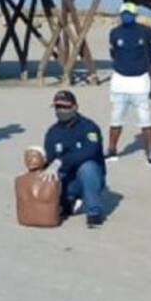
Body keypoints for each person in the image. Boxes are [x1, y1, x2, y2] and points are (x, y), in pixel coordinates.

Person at [41, 90, 108, 228]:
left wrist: (61, 161)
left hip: (88, 178)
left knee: (88, 167)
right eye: (58, 107)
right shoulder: (52, 132)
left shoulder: (89, 127)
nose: (61, 110)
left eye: (65, 107)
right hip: (65, 178)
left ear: (75, 107)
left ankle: (93, 212)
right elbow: (50, 158)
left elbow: (89, 152)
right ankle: (68, 202)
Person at [106, 1, 151, 165]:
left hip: (140, 80)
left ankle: (150, 152)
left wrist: (141, 66)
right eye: (124, 14)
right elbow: (113, 52)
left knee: (145, 118)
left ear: (135, 15)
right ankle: (112, 150)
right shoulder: (114, 33)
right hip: (119, 80)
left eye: (129, 13)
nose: (126, 16)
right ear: (120, 15)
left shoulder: (146, 31)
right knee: (116, 117)